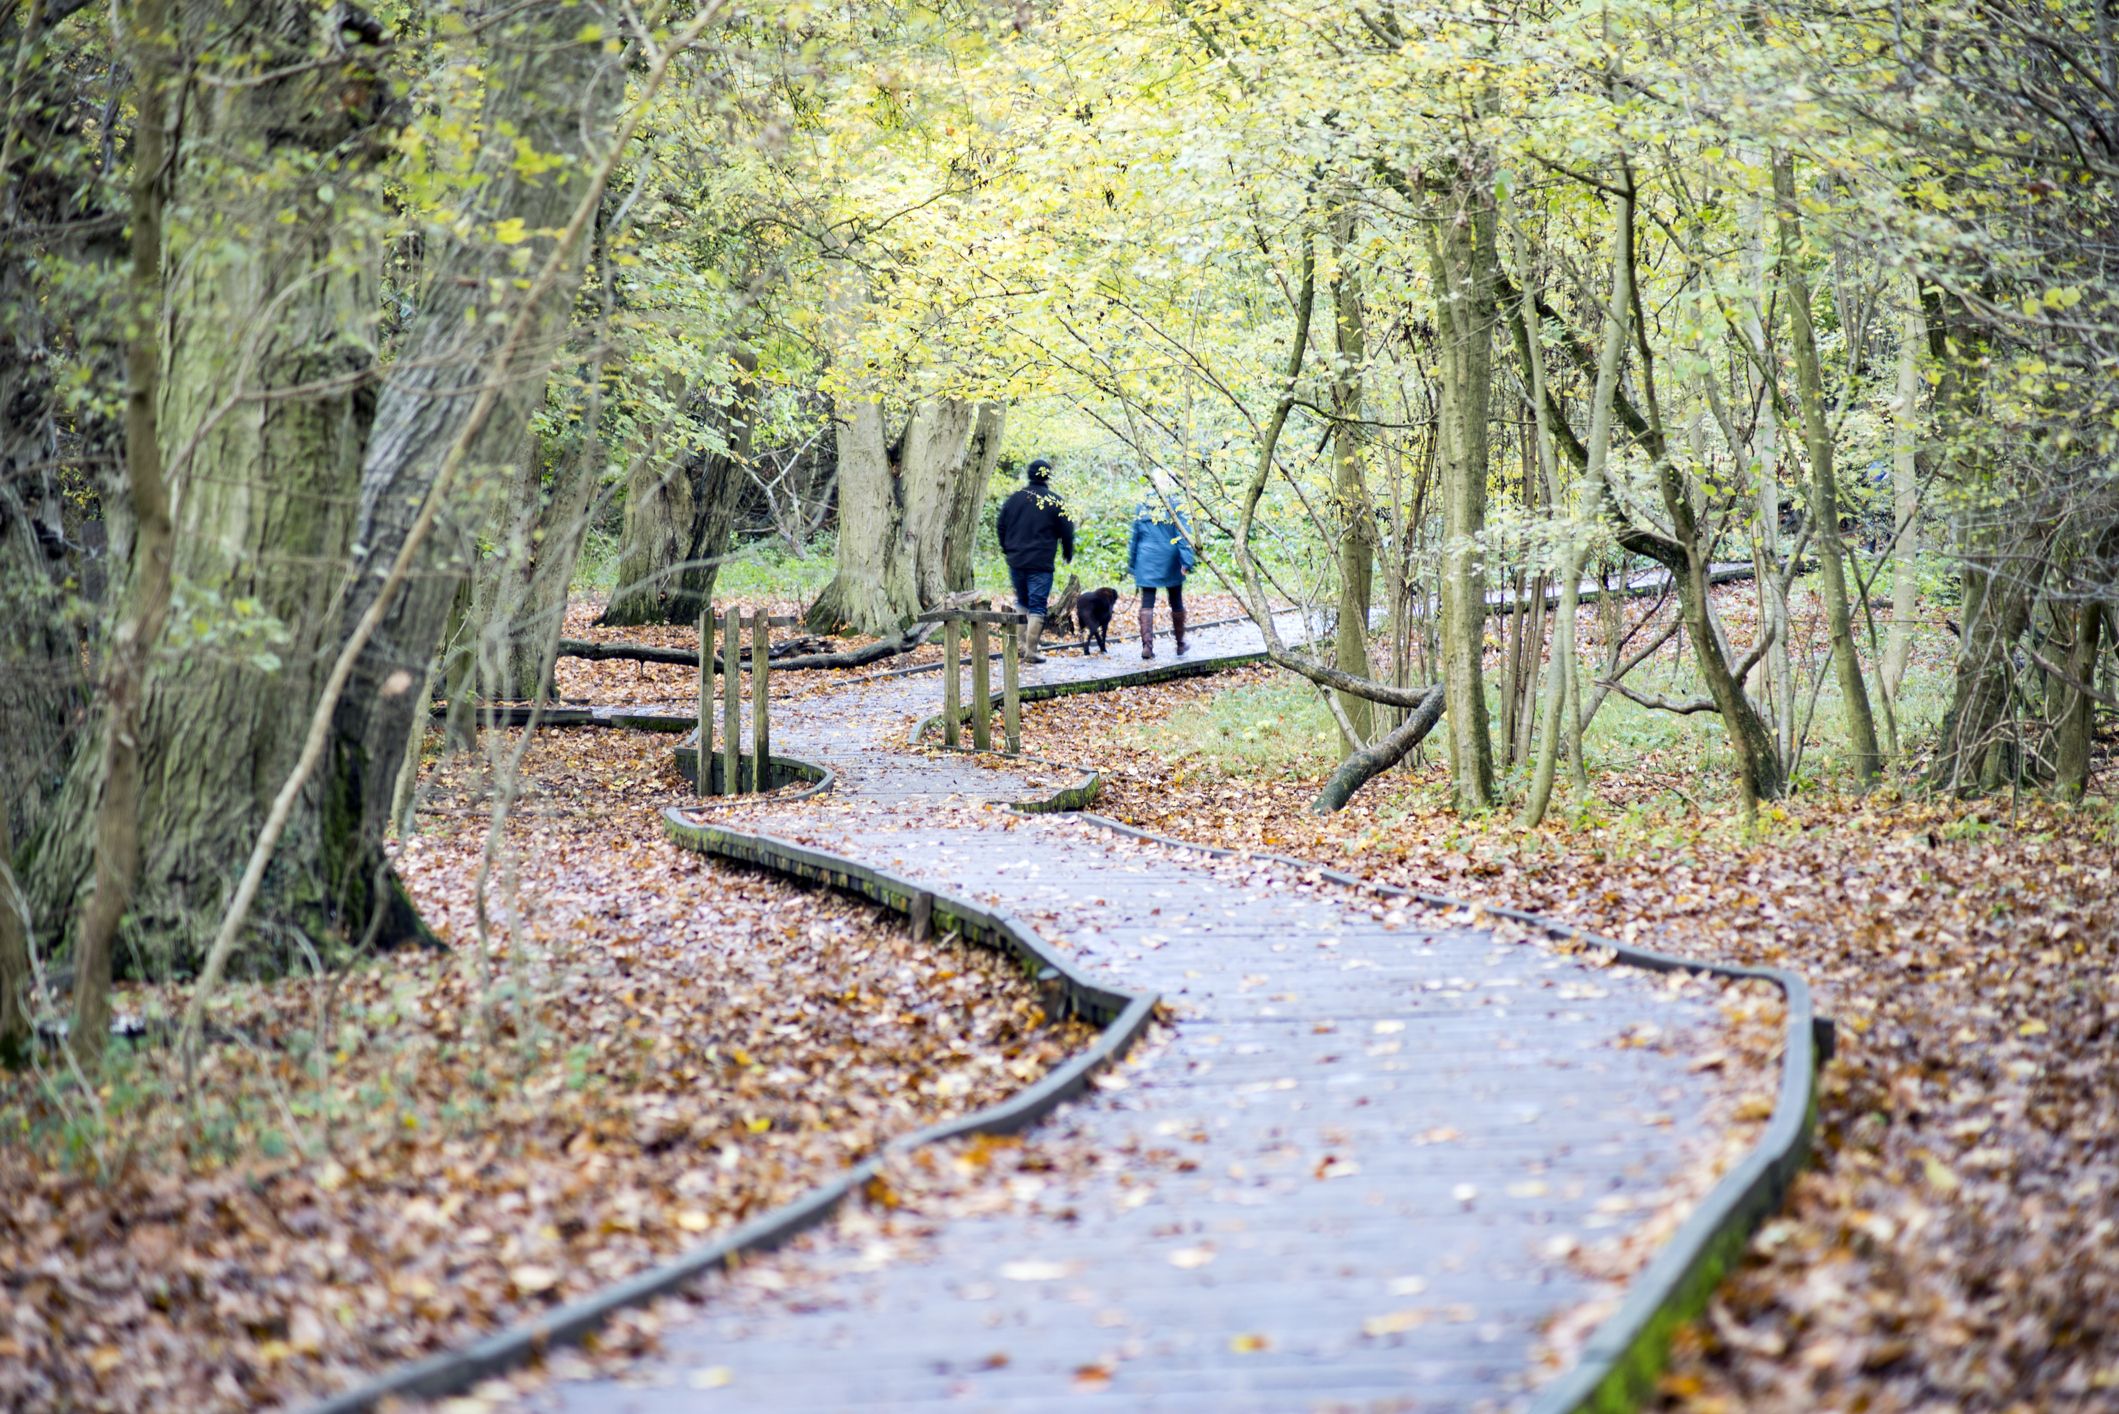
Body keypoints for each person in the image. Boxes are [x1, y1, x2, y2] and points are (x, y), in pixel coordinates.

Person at [995, 457, 1074, 663]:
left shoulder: (1015, 499)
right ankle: (1031, 651)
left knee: (1022, 602)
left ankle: (1021, 647)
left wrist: (1007, 549)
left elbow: (1001, 526)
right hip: (1041, 563)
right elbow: (1067, 530)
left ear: (1029, 474)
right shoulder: (1055, 501)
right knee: (1038, 605)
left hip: (1017, 561)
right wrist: (1068, 552)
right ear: (1048, 476)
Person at [1127, 475, 1196, 659]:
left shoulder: (1142, 505)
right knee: (1176, 601)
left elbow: (1135, 537)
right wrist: (1186, 561)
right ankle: (1180, 644)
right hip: (1170, 559)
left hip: (1145, 558)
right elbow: (1183, 533)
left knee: (1147, 603)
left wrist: (1133, 564)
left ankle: (1147, 647)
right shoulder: (1175, 504)